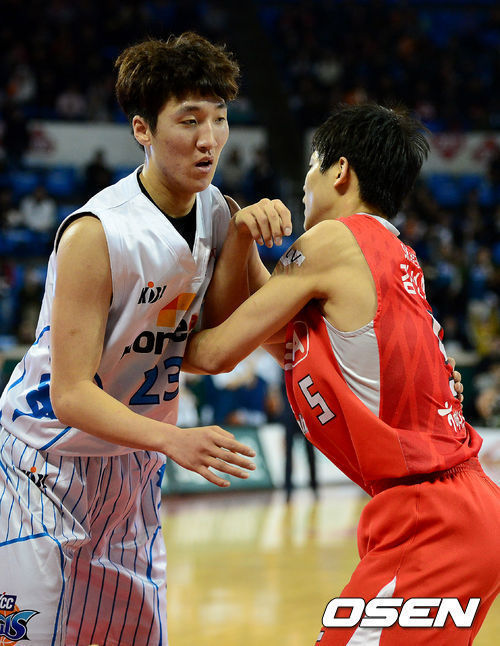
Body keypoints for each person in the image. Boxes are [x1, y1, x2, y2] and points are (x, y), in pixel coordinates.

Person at [0, 32, 292, 646]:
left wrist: (242, 241)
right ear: (143, 130)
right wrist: (175, 439)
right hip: (43, 465)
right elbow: (71, 394)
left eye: (219, 118)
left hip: (131, 467)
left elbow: (214, 346)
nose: (209, 138)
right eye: (189, 120)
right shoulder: (97, 232)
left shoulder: (217, 213)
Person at [184, 103, 500, 645]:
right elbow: (269, 328)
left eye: (312, 166)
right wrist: (240, 237)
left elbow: (214, 352)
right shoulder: (389, 251)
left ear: (340, 171)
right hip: (454, 508)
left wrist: (120, 343)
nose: (305, 185)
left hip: (431, 518)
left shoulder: (332, 241)